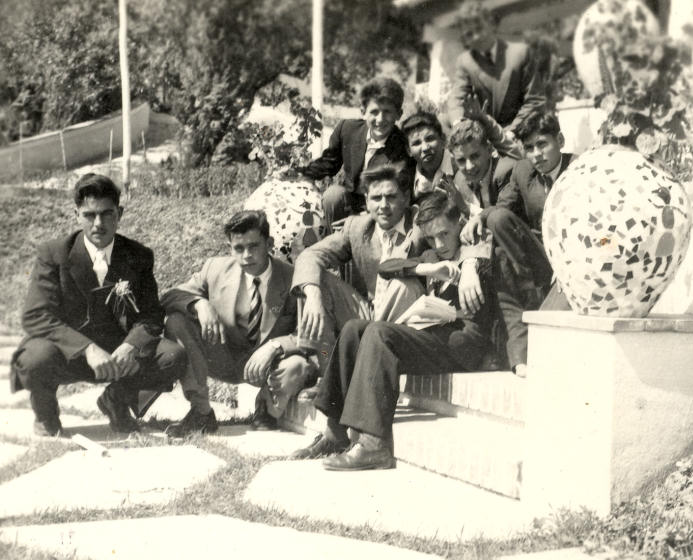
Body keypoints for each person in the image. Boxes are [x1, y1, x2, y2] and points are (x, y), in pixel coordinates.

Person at [291, 192, 496, 469]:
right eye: (431, 238)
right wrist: (428, 268)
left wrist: (470, 266)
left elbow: (490, 250)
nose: (440, 244)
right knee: (354, 329)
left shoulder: (477, 251)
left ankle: (373, 445)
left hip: (464, 343)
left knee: (380, 334)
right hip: (434, 336)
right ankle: (335, 432)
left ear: (459, 222)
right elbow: (387, 268)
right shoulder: (434, 255)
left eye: (445, 234)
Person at [10, 174, 186, 436]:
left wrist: (131, 345)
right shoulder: (54, 254)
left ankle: (116, 400)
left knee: (173, 357)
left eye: (106, 214)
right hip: (67, 353)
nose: (98, 224)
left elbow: (151, 315)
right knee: (33, 358)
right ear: (76, 215)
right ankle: (46, 415)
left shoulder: (138, 256)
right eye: (89, 215)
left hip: (118, 356)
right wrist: (87, 349)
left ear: (119, 214)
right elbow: (36, 316)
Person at [161, 210, 315, 436]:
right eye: (239, 248)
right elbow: (171, 296)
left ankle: (266, 409)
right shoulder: (215, 269)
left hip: (267, 365)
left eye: (254, 246)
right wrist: (199, 304)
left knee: (297, 365)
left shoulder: (293, 278)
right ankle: (201, 413)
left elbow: (307, 331)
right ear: (230, 248)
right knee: (177, 321)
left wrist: (275, 346)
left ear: (269, 244)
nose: (246, 256)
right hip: (221, 356)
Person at [462, 111, 573, 378]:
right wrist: (478, 218)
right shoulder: (523, 170)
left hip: (571, 262)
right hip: (537, 260)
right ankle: (522, 344)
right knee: (498, 225)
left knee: (502, 257)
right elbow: (501, 208)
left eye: (542, 144)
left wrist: (568, 264)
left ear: (560, 140)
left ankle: (522, 351)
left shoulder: (578, 168)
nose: (537, 154)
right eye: (530, 148)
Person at [297, 77, 413, 226]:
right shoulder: (347, 129)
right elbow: (329, 163)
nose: (380, 119)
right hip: (350, 203)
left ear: (399, 114)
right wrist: (302, 175)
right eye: (374, 112)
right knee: (333, 195)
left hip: (381, 208)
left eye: (387, 112)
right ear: (363, 112)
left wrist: (359, 220)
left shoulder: (403, 147)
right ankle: (334, 237)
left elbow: (397, 195)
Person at [448, 0, 547, 134]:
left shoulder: (520, 53)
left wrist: (511, 132)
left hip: (521, 131)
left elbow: (535, 100)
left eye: (479, 28)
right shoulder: (465, 61)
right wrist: (458, 123)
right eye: (469, 34)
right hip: (487, 136)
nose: (476, 37)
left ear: (492, 24)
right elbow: (457, 98)